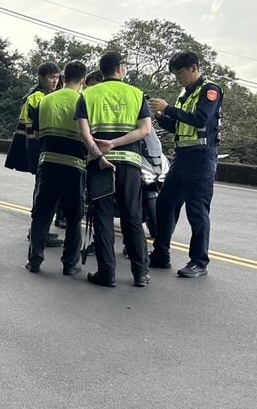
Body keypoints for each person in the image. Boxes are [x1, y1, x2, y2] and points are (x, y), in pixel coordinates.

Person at [75, 51, 152, 288]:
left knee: (103, 216)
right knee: (132, 216)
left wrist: (101, 153)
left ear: (101, 69)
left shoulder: (87, 95)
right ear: (120, 68)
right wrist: (117, 144)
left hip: (100, 165)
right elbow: (145, 130)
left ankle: (107, 273)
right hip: (129, 163)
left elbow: (83, 132)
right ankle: (140, 273)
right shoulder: (136, 94)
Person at [147, 50, 223, 278]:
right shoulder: (185, 93)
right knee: (165, 202)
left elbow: (200, 119)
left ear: (193, 68)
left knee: (196, 210)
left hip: (201, 157)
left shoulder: (209, 90)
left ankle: (199, 261)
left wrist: (168, 108)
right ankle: (161, 253)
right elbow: (179, 127)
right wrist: (161, 116)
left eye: (180, 73)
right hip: (182, 157)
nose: (178, 78)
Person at [26, 61, 88, 274]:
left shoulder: (46, 100)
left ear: (63, 77)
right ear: (83, 80)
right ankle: (70, 264)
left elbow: (34, 133)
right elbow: (90, 135)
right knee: (73, 217)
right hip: (74, 167)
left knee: (41, 214)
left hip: (48, 164)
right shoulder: (84, 101)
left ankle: (35, 260)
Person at [4, 61, 63, 247]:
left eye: (57, 77)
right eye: (51, 77)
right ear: (41, 78)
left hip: (37, 149)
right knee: (42, 192)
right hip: (39, 149)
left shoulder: (41, 94)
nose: (55, 81)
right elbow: (38, 129)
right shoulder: (38, 97)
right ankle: (38, 233)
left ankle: (40, 231)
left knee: (42, 191)